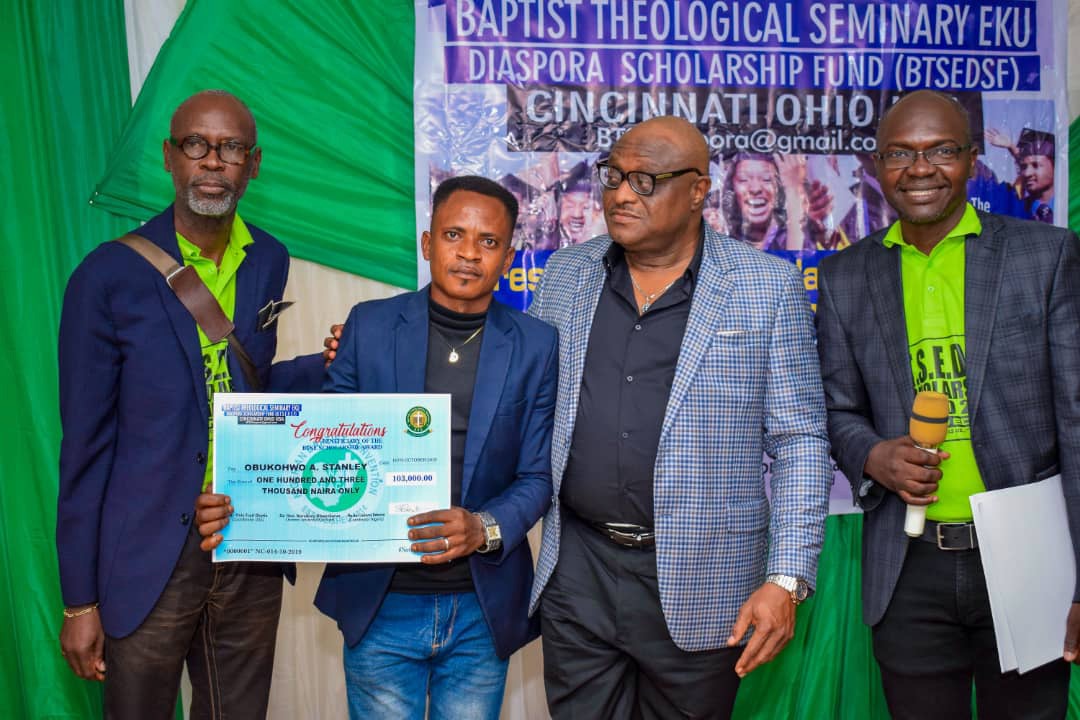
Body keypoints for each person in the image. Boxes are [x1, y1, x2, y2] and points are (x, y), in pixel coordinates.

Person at [204, 175, 558, 720]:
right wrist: (244, 498)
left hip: (482, 606)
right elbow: (322, 445)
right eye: (454, 235)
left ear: (509, 257)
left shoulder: (536, 344)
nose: (469, 253)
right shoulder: (368, 326)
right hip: (379, 599)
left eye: (488, 241)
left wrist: (483, 527)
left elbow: (537, 475)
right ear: (427, 243)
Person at [527, 116, 833, 719]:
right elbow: (516, 388)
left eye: (644, 180)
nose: (620, 194)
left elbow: (800, 439)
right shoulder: (566, 275)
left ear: (697, 191)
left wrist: (786, 578)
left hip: (705, 584)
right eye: (614, 175)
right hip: (580, 574)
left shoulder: (765, 287)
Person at [56, 90, 324, 718]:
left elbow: (244, 392)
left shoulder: (269, 258)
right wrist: (79, 601)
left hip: (246, 534)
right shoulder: (106, 276)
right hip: (149, 550)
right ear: (169, 156)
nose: (212, 161)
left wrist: (333, 363)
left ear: (253, 164)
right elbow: (85, 446)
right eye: (196, 144)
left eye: (230, 148)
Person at [816, 90, 1080, 718]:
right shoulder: (846, 275)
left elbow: (1077, 420)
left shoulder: (1045, 256)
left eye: (941, 151)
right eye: (900, 154)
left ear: (971, 159)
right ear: (877, 165)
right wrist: (873, 455)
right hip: (907, 562)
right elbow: (836, 409)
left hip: (1029, 559)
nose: (920, 168)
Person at [722, 151, 847, 252]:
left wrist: (795, 193)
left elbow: (794, 267)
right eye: (743, 179)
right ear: (732, 188)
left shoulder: (803, 232)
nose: (755, 189)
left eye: (767, 179)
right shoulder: (722, 238)